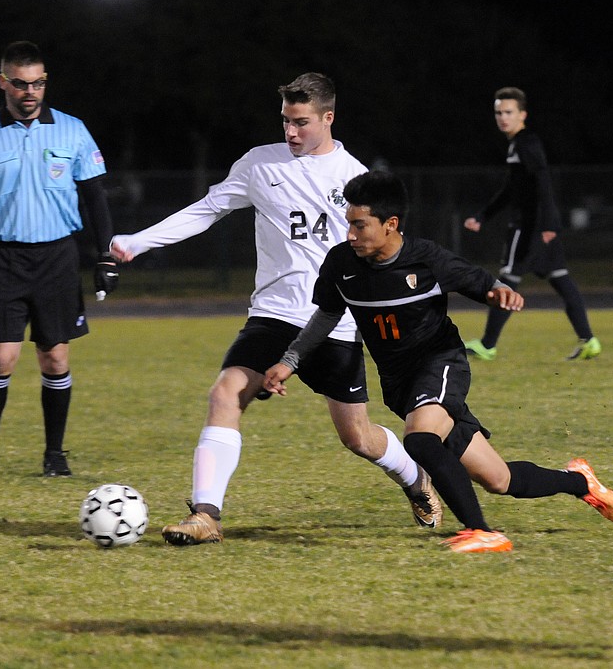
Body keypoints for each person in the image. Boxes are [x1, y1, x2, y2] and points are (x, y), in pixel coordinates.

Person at [110, 72, 442, 545]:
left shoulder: (355, 178)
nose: (291, 132)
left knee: (357, 436)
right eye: (286, 120)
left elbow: (382, 255)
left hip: (333, 322)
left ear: (328, 117)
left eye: (302, 122)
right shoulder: (259, 164)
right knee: (225, 393)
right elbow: (207, 210)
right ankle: (206, 516)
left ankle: (416, 481)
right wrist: (138, 243)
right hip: (273, 314)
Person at [264, 171, 613, 553]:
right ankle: (580, 482)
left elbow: (481, 282)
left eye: (359, 225)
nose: (351, 234)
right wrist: (289, 361)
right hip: (401, 384)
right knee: (498, 479)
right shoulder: (342, 263)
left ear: (390, 225)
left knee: (420, 442)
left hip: (439, 364)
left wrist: (500, 293)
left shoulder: (427, 260)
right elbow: (326, 315)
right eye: (349, 224)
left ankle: (483, 531)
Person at [0, 40, 119, 481]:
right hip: (4, 258)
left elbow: (95, 197)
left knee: (55, 360)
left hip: (58, 257)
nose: (30, 92)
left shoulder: (73, 131)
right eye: (21, 84)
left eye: (38, 83)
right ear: (3, 82)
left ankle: (55, 456)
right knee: (2, 359)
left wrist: (104, 256)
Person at [463, 86, 601, 361]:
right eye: (499, 112)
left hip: (529, 226)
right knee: (561, 279)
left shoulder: (527, 143)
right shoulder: (518, 144)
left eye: (509, 112)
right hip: (539, 225)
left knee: (507, 280)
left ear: (522, 114)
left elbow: (542, 180)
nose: (503, 117)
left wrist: (549, 224)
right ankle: (589, 340)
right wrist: (483, 215)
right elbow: (511, 189)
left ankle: (488, 345)